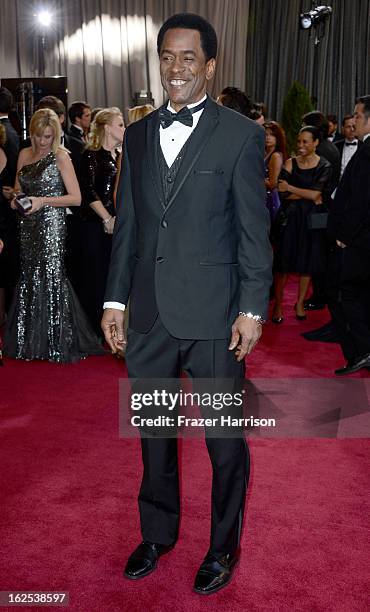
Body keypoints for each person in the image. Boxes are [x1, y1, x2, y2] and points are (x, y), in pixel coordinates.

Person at [101, 13, 272, 595]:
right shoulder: (141, 135)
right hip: (148, 315)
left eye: (188, 59)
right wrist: (114, 299)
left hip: (216, 318)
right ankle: (157, 533)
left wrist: (252, 308)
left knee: (224, 443)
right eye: (167, 58)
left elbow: (254, 233)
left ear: (211, 64)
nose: (175, 69)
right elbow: (129, 226)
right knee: (154, 433)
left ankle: (222, 547)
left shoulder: (241, 136)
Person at [3, 109, 104, 362]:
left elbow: (76, 198)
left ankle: (56, 341)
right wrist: (16, 199)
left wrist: (42, 200)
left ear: (55, 134)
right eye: (38, 136)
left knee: (51, 276)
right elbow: (18, 189)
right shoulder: (25, 154)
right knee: (29, 275)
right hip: (27, 225)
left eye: (47, 136)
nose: (42, 141)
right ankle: (30, 341)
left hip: (51, 225)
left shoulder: (61, 157)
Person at [326, 95, 370, 375]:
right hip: (360, 238)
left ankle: (362, 350)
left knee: (343, 293)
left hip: (358, 240)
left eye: (356, 114)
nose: (352, 119)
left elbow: (362, 199)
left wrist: (344, 234)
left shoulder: (367, 151)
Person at [272, 126, 331, 323]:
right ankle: (279, 305)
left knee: (308, 262)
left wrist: (292, 189)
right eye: (299, 141)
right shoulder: (290, 162)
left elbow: (317, 194)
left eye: (306, 141)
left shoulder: (324, 166)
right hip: (289, 218)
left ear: (316, 143)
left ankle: (299, 303)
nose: (301, 145)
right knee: (283, 264)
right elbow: (282, 192)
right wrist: (306, 193)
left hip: (311, 220)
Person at [78, 108, 125, 336]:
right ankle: (96, 331)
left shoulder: (118, 156)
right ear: (106, 127)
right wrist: (106, 217)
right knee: (95, 277)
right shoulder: (91, 154)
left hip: (114, 224)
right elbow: (87, 192)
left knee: (110, 275)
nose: (124, 129)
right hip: (93, 225)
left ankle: (110, 328)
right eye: (120, 125)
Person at [264, 121, 287, 224]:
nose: (268, 138)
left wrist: (254, 178)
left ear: (278, 137)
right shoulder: (265, 153)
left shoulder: (275, 156)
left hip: (271, 200)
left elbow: (273, 184)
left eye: (271, 135)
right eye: (265, 134)